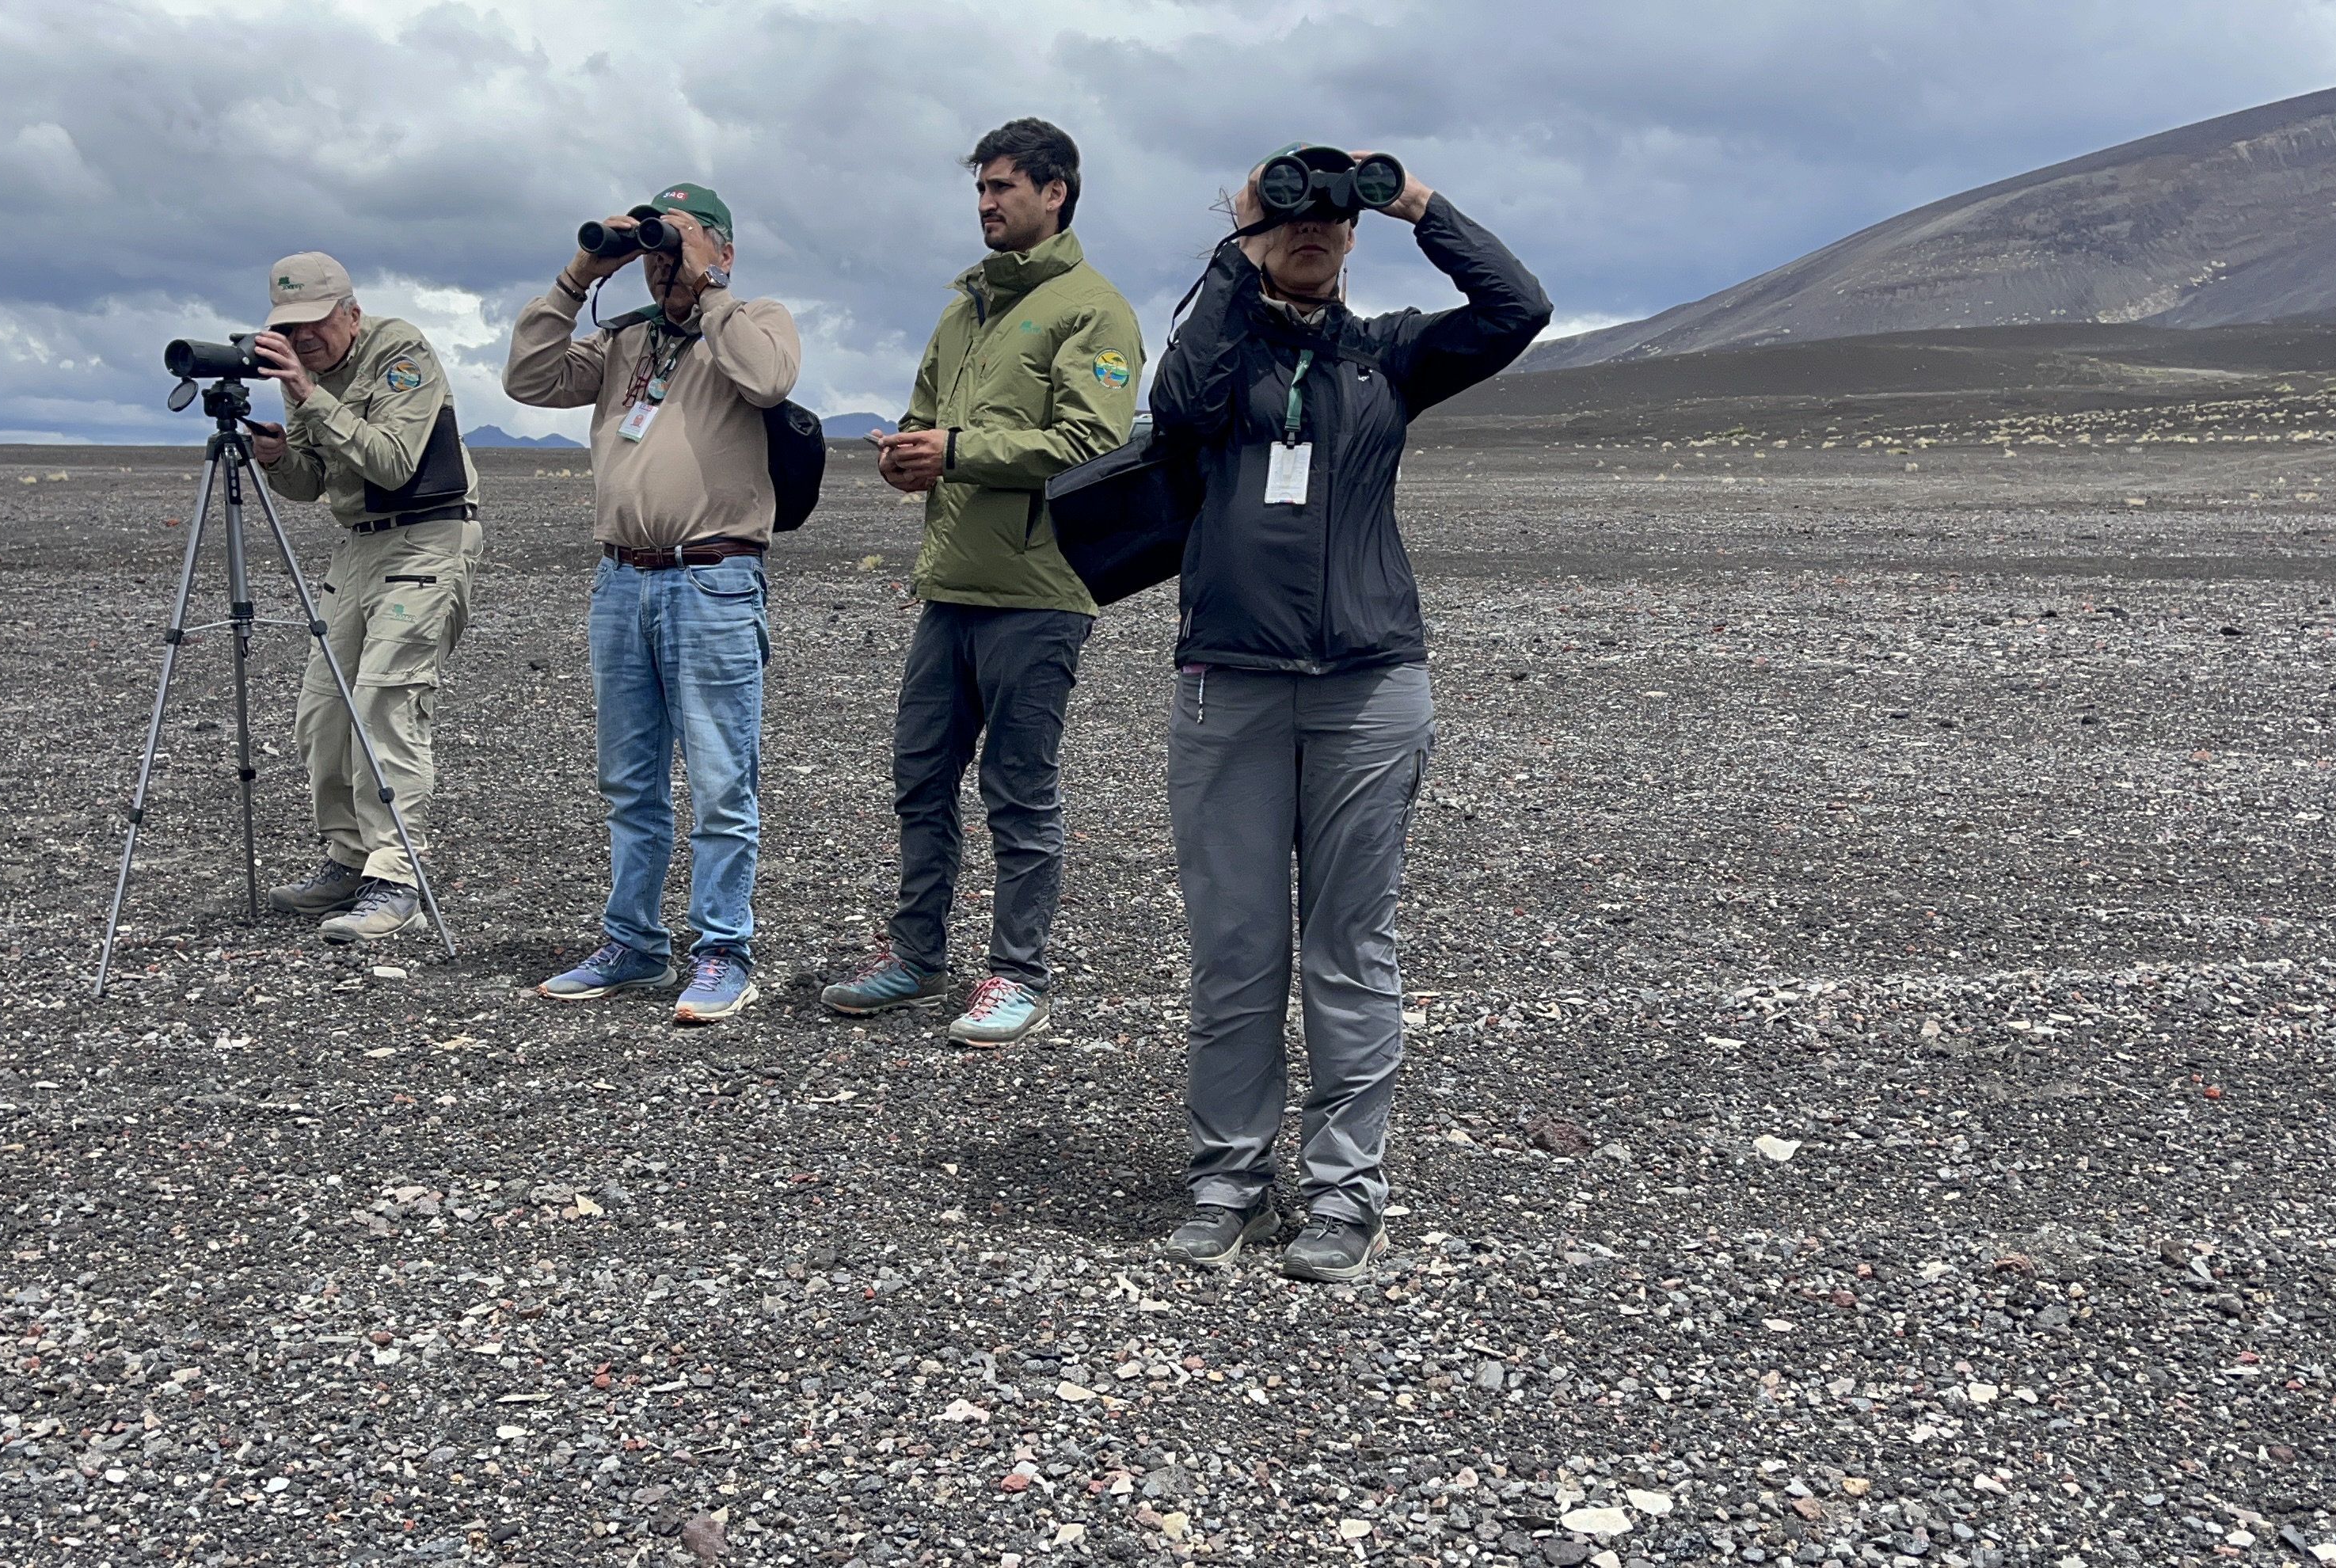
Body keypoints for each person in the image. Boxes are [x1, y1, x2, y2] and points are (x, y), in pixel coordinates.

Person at [1151, 147, 1550, 1281]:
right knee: (1236, 948)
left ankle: (1342, 1193)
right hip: (1229, 682)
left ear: (1357, 234)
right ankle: (1227, 1181)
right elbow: (1175, 407)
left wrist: (1417, 202)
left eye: (1332, 214)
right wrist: (1238, 241)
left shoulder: (1390, 354)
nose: (1310, 227)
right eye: (1290, 213)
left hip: (1368, 687)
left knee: (1348, 948)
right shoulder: (1223, 354)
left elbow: (1517, 308)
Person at [820, 118, 1145, 1045]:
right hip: (951, 586)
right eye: (980, 188)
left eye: (1003, 187)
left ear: (1055, 192)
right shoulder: (964, 309)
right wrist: (906, 456)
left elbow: (1093, 441)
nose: (986, 203)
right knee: (920, 780)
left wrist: (957, 452)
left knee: (1018, 789)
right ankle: (917, 958)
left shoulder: (1093, 309)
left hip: (1039, 590)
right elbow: (926, 416)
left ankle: (1018, 975)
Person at [501, 185, 801, 1023]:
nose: (663, 260)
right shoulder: (626, 338)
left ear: (726, 250)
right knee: (629, 782)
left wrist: (708, 291)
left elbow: (769, 381)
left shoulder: (756, 321)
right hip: (621, 580)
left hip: (712, 578)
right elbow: (529, 378)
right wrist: (579, 275)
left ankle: (723, 952)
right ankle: (632, 943)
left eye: (682, 240)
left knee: (720, 781)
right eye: (655, 248)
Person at [253, 250, 484, 945]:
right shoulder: (303, 375)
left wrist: (308, 394)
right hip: (357, 545)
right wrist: (277, 459)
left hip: (426, 539)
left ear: (351, 313)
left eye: (315, 324)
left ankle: (395, 876)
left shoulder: (399, 351)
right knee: (324, 710)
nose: (303, 340)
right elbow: (310, 485)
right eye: (289, 329)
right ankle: (349, 858)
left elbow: (392, 461)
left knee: (386, 700)